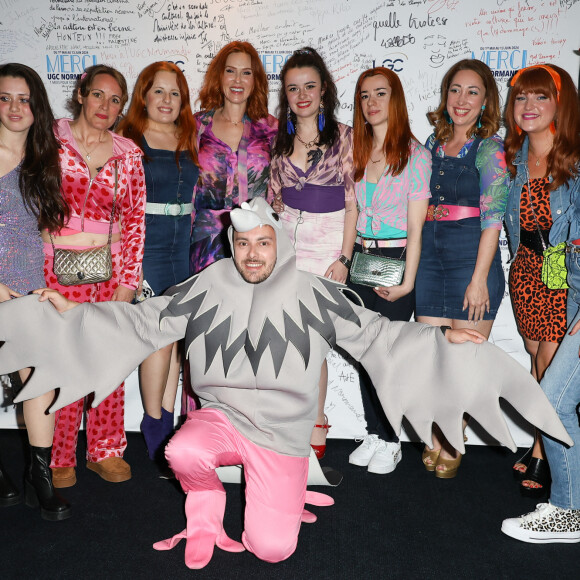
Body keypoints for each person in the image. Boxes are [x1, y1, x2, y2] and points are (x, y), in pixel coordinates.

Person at [1, 197, 571, 569]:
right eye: (243, 245)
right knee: (183, 447)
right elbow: (138, 322)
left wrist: (444, 338)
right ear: (233, 246)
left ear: (280, 243)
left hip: (282, 436)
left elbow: (380, 337)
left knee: (270, 550)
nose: (252, 255)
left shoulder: (316, 295)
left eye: (263, 243)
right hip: (220, 421)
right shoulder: (203, 287)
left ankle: (289, 485)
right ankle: (206, 501)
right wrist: (65, 315)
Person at [41, 64, 146, 487]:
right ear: (81, 94)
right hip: (53, 270)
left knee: (106, 361)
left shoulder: (128, 154)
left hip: (108, 271)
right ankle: (59, 454)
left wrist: (128, 283)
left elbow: (136, 220)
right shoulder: (47, 141)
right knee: (61, 361)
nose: (106, 105)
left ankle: (104, 450)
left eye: (115, 99)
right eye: (98, 95)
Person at [415, 58, 509, 478]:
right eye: (455, 89)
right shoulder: (432, 144)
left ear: (487, 99)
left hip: (473, 258)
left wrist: (477, 280)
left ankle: (452, 437)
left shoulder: (491, 150)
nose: (462, 99)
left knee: (464, 361)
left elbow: (494, 219)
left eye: (473, 91)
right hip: (431, 259)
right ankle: (440, 430)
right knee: (435, 357)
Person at [502, 64, 580, 539]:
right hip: (528, 269)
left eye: (540, 98)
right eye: (520, 99)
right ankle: (537, 442)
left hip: (563, 272)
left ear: (559, 104)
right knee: (536, 359)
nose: (528, 108)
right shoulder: (512, 158)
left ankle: (553, 464)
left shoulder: (573, 161)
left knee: (554, 370)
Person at [270, 47, 356, 459]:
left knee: (313, 344)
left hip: (327, 248)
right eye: (293, 88)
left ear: (324, 90)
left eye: (309, 86)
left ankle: (317, 421)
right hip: (286, 246)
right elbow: (273, 203)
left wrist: (344, 258)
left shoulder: (345, 137)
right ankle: (286, 423)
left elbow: (355, 204)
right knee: (283, 341)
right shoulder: (279, 138)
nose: (301, 95)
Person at [346, 67, 431, 474]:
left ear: (395, 99)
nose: (372, 102)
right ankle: (373, 431)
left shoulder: (416, 156)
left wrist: (407, 281)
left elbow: (416, 228)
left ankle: (392, 439)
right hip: (364, 260)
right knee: (365, 353)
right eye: (365, 96)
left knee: (390, 357)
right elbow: (353, 211)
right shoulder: (358, 152)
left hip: (396, 261)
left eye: (380, 93)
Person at [185, 40, 277, 413]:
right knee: (204, 337)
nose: (238, 79)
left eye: (247, 72)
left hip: (253, 247)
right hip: (204, 244)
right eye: (230, 70)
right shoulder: (195, 125)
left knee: (250, 337)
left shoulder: (270, 129)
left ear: (256, 80)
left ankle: (245, 428)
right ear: (218, 76)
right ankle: (199, 427)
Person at [117, 61, 199, 466]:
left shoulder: (191, 135)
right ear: (144, 96)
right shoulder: (127, 140)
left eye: (175, 93)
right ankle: (154, 424)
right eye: (159, 91)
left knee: (177, 339)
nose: (166, 101)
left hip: (182, 246)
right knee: (157, 337)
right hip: (145, 244)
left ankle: (166, 425)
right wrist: (130, 264)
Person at [0, 63, 71, 520]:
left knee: (39, 379)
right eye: (4, 98)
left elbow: (44, 235)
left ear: (36, 105)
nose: (14, 107)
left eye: (24, 99)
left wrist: (52, 289)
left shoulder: (45, 160)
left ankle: (39, 477)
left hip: (27, 286)